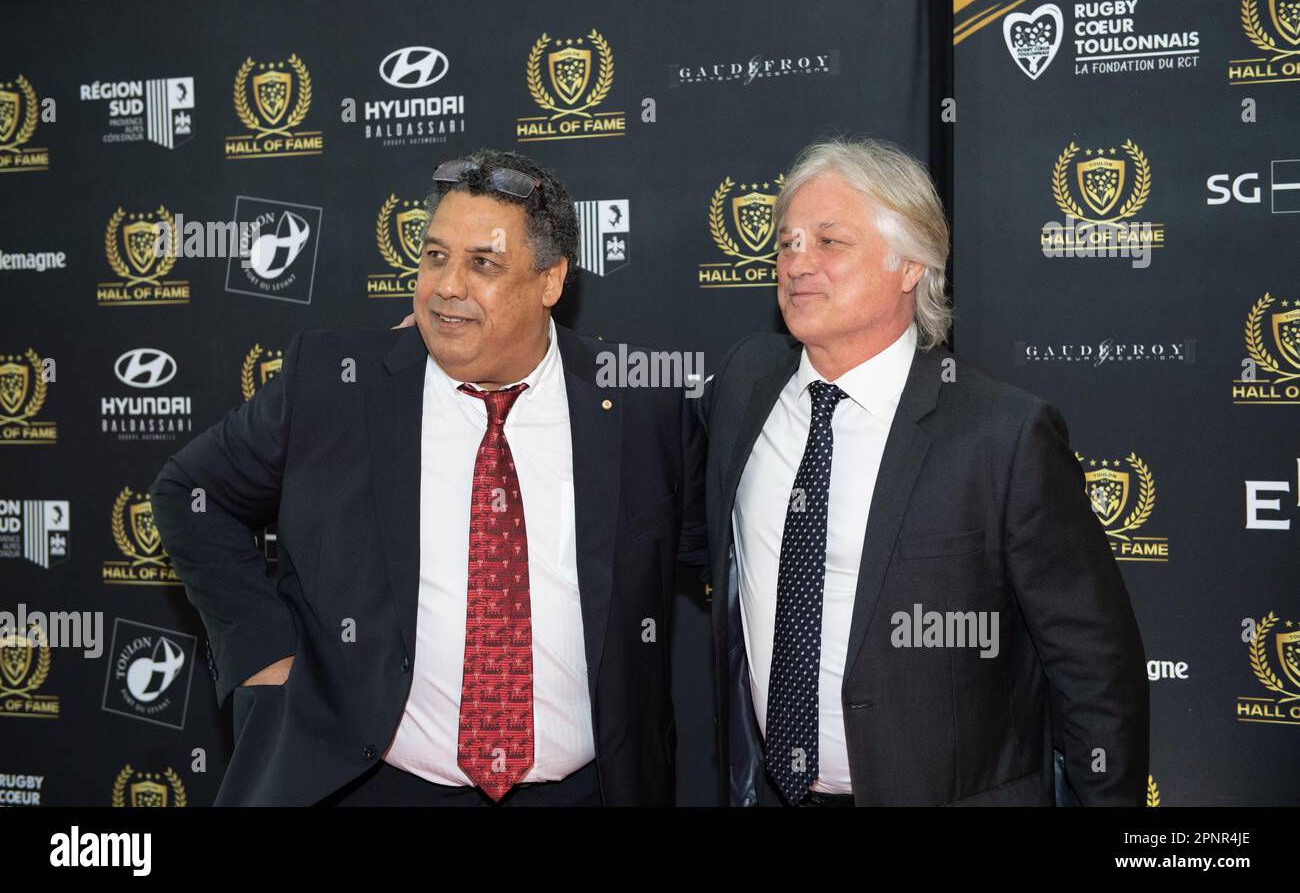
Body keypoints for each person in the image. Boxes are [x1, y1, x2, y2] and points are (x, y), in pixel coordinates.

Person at [150, 149, 705, 806]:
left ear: (551, 280)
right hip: (375, 788)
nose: (447, 286)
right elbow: (192, 493)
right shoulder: (335, 386)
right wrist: (263, 655)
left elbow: (719, 554)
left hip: (584, 791)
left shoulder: (639, 405)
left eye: (483, 265)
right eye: (435, 256)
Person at [697, 137, 1148, 806]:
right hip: (769, 791)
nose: (797, 264)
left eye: (829, 242)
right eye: (788, 243)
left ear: (911, 264)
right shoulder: (744, 384)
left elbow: (1093, 667)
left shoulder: (1003, 435)